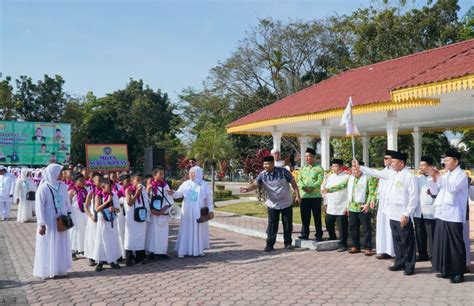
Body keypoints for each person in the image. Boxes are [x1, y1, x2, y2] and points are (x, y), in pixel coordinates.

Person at [355, 151, 419, 275]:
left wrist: (407, 214)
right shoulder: (391, 173)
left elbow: (413, 197)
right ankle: (399, 262)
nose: (392, 164)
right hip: (392, 213)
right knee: (397, 241)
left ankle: (409, 266)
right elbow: (376, 173)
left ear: (401, 163)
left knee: (407, 241)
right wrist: (360, 167)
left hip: (402, 213)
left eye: (394, 162)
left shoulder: (409, 176)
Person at [241, 157, 301, 252]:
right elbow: (255, 184)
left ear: (273, 164)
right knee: (272, 225)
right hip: (273, 204)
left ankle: (288, 243)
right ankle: (269, 245)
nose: (265, 166)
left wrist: (298, 195)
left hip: (286, 202)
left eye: (267, 164)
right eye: (264, 164)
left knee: (287, 224)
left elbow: (293, 183)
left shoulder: (283, 171)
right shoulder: (263, 175)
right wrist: (247, 189)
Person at [427, 149, 468, 284]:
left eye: (448, 160)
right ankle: (446, 269)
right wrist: (433, 178)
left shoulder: (461, 175)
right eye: (444, 160)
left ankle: (458, 273)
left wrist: (438, 176)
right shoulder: (445, 175)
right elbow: (434, 191)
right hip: (441, 213)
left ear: (456, 162)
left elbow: (452, 188)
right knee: (443, 244)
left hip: (454, 215)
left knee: (455, 246)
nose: (445, 162)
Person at [33, 163, 73, 279]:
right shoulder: (43, 188)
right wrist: (41, 223)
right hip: (49, 219)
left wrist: (68, 214)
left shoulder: (63, 186)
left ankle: (60, 269)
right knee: (49, 242)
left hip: (62, 218)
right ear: (53, 173)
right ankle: (49, 269)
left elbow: (67, 202)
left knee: (61, 242)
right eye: (60, 172)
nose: (62, 174)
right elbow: (39, 207)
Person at [170, 166, 214, 257]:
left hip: (199, 212)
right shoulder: (186, 184)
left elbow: (209, 199)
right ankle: (183, 251)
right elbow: (179, 194)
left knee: (198, 230)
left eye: (193, 173)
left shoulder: (204, 184)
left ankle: (198, 251)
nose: (191, 175)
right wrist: (173, 193)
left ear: (198, 174)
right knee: (186, 230)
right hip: (187, 212)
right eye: (190, 173)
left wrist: (211, 210)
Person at [345, 161, 378, 256]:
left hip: (363, 207)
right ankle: (356, 246)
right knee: (353, 228)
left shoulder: (368, 178)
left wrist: (368, 204)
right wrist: (328, 190)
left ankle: (368, 247)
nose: (354, 171)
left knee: (366, 228)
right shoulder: (351, 178)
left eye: (356, 169)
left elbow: (372, 192)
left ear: (361, 169)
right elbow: (345, 188)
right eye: (353, 169)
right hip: (352, 207)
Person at [321, 159, 350, 251]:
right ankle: (332, 238)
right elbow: (325, 190)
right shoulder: (329, 177)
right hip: (331, 204)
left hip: (342, 205)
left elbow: (349, 192)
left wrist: (348, 206)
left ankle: (343, 244)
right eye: (332, 166)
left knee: (342, 226)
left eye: (335, 166)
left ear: (341, 167)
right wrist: (325, 203)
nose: (333, 168)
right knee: (329, 222)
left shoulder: (347, 177)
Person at [93, 178, 121, 272]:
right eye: (108, 187)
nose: (110, 189)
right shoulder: (98, 196)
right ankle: (100, 262)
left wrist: (114, 209)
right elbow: (97, 209)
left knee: (112, 240)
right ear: (103, 187)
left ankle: (113, 260)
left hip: (112, 220)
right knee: (101, 241)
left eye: (111, 187)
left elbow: (118, 209)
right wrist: (107, 202)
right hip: (102, 220)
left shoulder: (114, 195)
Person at [296, 148, 324, 241]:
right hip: (304, 196)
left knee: (317, 216)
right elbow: (299, 180)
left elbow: (320, 180)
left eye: (309, 156)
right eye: (306, 156)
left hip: (315, 196)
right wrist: (304, 187)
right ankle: (305, 234)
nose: (307, 158)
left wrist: (311, 187)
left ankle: (319, 235)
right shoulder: (303, 168)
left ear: (313, 157)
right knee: (305, 216)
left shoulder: (319, 168)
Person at [146, 166, 173, 260]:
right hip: (153, 213)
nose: (162, 176)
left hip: (162, 213)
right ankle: (152, 252)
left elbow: (169, 200)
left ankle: (161, 252)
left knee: (162, 233)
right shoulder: (150, 186)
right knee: (152, 233)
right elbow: (146, 199)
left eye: (163, 174)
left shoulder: (165, 185)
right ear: (154, 175)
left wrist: (163, 210)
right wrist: (152, 210)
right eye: (160, 174)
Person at [374, 150, 397, 260]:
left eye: (387, 158)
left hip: (392, 204)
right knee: (382, 226)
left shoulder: (395, 172)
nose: (385, 160)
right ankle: (384, 250)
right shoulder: (383, 171)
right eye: (384, 158)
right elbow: (379, 188)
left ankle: (393, 251)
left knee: (390, 227)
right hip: (382, 203)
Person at [124, 173, 150, 265]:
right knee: (130, 236)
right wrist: (137, 194)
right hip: (131, 216)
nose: (139, 182)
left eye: (140, 180)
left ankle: (139, 257)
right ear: (132, 181)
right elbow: (129, 203)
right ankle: (129, 258)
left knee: (140, 236)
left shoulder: (142, 190)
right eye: (137, 180)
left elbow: (146, 202)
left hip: (141, 215)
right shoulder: (128, 190)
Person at [414, 156, 436, 262]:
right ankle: (422, 254)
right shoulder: (417, 179)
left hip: (430, 210)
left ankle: (433, 255)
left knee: (431, 234)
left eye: (424, 165)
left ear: (430, 166)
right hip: (418, 211)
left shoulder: (434, 178)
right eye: (420, 165)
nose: (421, 167)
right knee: (419, 233)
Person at [83, 172, 102, 266]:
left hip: (102, 218)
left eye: (101, 180)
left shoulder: (105, 192)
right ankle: (91, 257)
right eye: (98, 180)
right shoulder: (91, 193)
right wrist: (90, 216)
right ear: (94, 182)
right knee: (92, 237)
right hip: (93, 218)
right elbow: (85, 206)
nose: (100, 182)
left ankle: (101, 256)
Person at [68, 173, 88, 259]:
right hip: (74, 213)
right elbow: (68, 203)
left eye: (84, 180)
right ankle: (72, 251)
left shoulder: (85, 190)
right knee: (74, 232)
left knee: (82, 231)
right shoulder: (71, 191)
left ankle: (81, 249)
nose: (83, 182)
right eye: (81, 181)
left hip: (83, 213)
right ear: (75, 181)